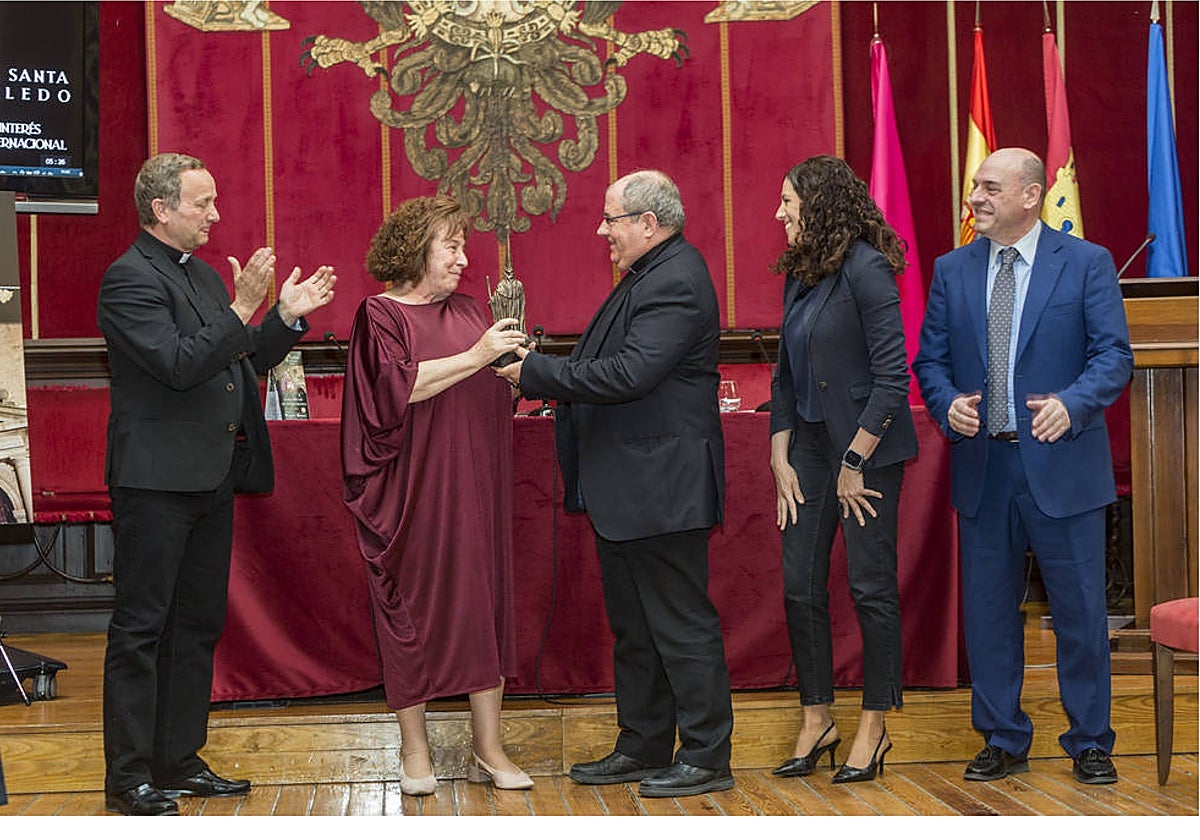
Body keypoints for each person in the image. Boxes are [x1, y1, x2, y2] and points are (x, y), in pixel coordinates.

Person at [98, 153, 337, 816]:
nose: (216, 214)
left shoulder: (199, 274)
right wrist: (241, 307)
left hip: (209, 475)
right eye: (202, 203)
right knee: (143, 627)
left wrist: (282, 319)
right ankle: (130, 775)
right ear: (161, 211)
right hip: (154, 482)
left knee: (197, 625)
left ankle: (177, 758)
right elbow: (178, 365)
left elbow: (237, 357)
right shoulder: (128, 279)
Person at [497, 170, 734, 798]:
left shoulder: (676, 280)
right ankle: (644, 743)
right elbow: (611, 366)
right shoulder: (650, 276)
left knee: (680, 625)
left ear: (647, 224)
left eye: (611, 219)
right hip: (634, 488)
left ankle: (708, 754)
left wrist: (535, 373)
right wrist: (546, 371)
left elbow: (630, 373)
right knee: (636, 628)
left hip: (663, 487)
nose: (602, 230)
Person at [913, 148, 1133, 785]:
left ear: (1031, 194)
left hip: (1063, 465)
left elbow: (1113, 357)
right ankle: (1002, 737)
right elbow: (929, 362)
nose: (973, 198)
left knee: (1081, 612)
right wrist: (947, 401)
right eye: (974, 188)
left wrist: (1072, 403)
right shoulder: (951, 271)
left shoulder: (1086, 264)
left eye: (987, 187)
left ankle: (1090, 739)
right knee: (987, 612)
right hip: (986, 469)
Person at [340, 195, 532, 797]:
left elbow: (496, 386)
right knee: (412, 612)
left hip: (476, 488)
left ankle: (488, 746)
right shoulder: (380, 315)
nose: (462, 257)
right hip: (414, 493)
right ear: (416, 248)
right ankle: (414, 749)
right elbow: (398, 388)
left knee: (485, 607)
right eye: (450, 245)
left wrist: (519, 366)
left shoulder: (474, 308)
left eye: (462, 245)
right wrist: (479, 356)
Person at [767, 156, 917, 784]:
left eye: (787, 202)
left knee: (869, 588)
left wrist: (855, 459)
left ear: (819, 205)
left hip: (868, 451)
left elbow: (893, 378)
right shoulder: (800, 272)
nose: (778, 214)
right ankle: (817, 718)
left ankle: (874, 725)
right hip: (807, 448)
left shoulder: (867, 268)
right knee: (800, 586)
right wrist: (778, 452)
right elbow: (783, 373)